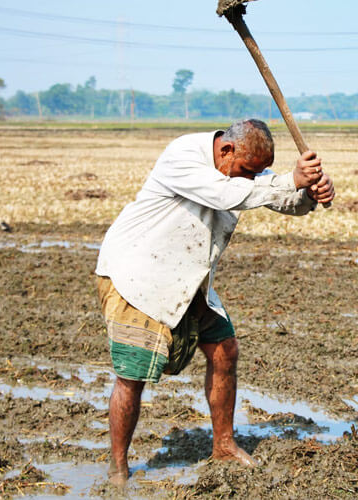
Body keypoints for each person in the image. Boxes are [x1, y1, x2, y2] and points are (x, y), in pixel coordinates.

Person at [95, 118, 334, 484]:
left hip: (188, 276)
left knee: (225, 350)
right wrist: (290, 180)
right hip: (138, 275)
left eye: (256, 173)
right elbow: (225, 194)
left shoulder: (240, 175)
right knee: (132, 375)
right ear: (226, 151)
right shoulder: (183, 156)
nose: (250, 179)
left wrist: (309, 194)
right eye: (246, 171)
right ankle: (118, 468)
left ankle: (223, 445)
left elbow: (279, 197)